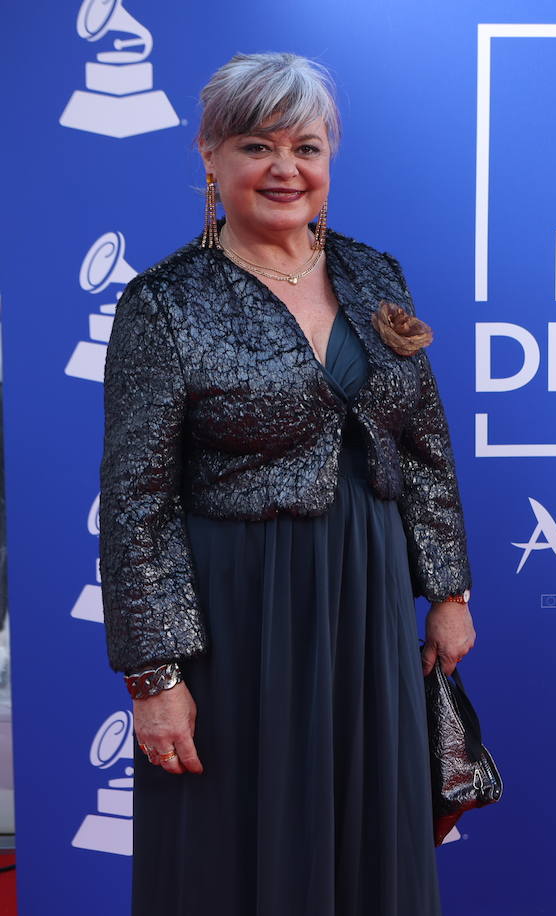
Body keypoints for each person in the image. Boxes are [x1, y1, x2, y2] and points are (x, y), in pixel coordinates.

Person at [100, 52, 473, 915]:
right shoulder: (164, 303)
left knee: (369, 826)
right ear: (210, 156)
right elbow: (136, 501)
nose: (284, 169)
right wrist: (154, 679)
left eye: (306, 147)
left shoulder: (375, 274)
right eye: (256, 146)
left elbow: (422, 444)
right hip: (236, 613)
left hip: (368, 593)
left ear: (329, 159)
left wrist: (447, 589)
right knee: (234, 839)